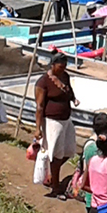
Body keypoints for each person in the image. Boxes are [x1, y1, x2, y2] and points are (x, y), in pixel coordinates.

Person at [35, 54, 79, 198]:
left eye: (65, 67)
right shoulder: (43, 82)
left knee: (69, 150)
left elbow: (69, 90)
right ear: (53, 65)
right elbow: (40, 107)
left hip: (66, 120)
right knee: (55, 154)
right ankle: (55, 186)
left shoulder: (65, 76)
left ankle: (52, 175)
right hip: (52, 122)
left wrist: (73, 99)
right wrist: (38, 128)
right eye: (60, 67)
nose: (62, 70)